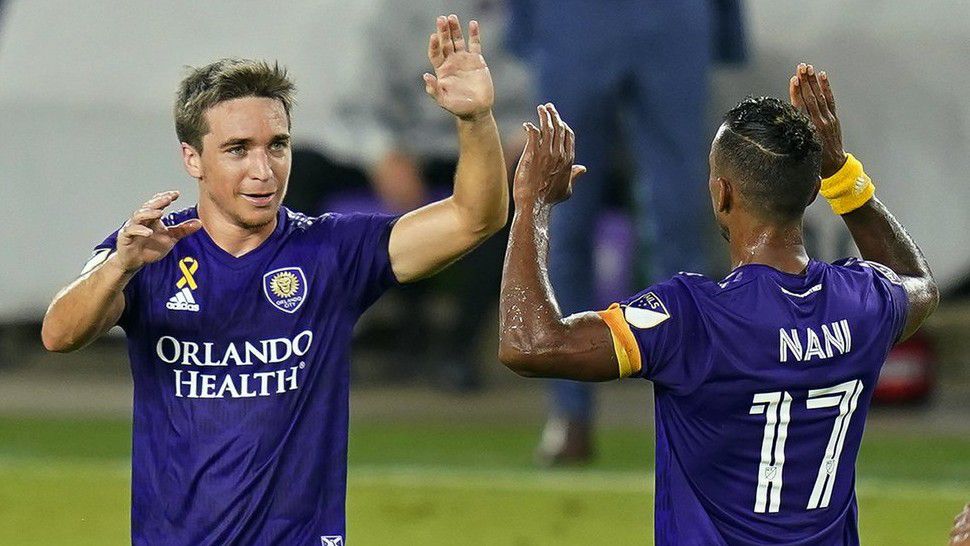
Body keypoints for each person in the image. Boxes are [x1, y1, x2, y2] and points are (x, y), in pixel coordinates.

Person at [41, 14, 506, 545]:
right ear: (192, 158)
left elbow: (476, 217)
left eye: (277, 146)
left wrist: (475, 121)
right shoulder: (147, 249)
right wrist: (119, 267)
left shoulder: (331, 252)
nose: (263, 171)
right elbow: (58, 334)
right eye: (238, 149)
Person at [498, 64, 938, 544]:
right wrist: (840, 171)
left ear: (722, 193)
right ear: (813, 191)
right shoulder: (863, 302)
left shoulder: (693, 317)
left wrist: (532, 205)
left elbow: (529, 344)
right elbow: (918, 282)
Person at [506, 0, 747, 464]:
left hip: (651, 20)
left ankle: (693, 409)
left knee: (679, 225)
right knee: (562, 207)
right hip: (590, 20)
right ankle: (570, 414)